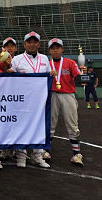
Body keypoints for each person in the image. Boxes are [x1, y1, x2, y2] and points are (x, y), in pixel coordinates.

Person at [7, 31, 56, 168]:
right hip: (22, 100)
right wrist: (12, 72)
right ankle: (21, 156)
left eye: (35, 42)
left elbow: (48, 74)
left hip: (39, 100)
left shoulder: (45, 59)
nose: (32, 44)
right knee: (21, 126)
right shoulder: (17, 59)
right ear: (25, 44)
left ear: (39, 44)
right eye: (29, 42)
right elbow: (9, 76)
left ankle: (37, 156)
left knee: (38, 127)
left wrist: (51, 73)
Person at [47, 38, 84, 166]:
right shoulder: (46, 64)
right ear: (49, 50)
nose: (55, 49)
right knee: (50, 122)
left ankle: (76, 154)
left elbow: (78, 77)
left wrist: (82, 74)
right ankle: (46, 151)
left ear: (62, 49)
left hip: (68, 95)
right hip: (52, 94)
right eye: (53, 48)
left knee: (72, 123)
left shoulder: (70, 63)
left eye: (58, 47)